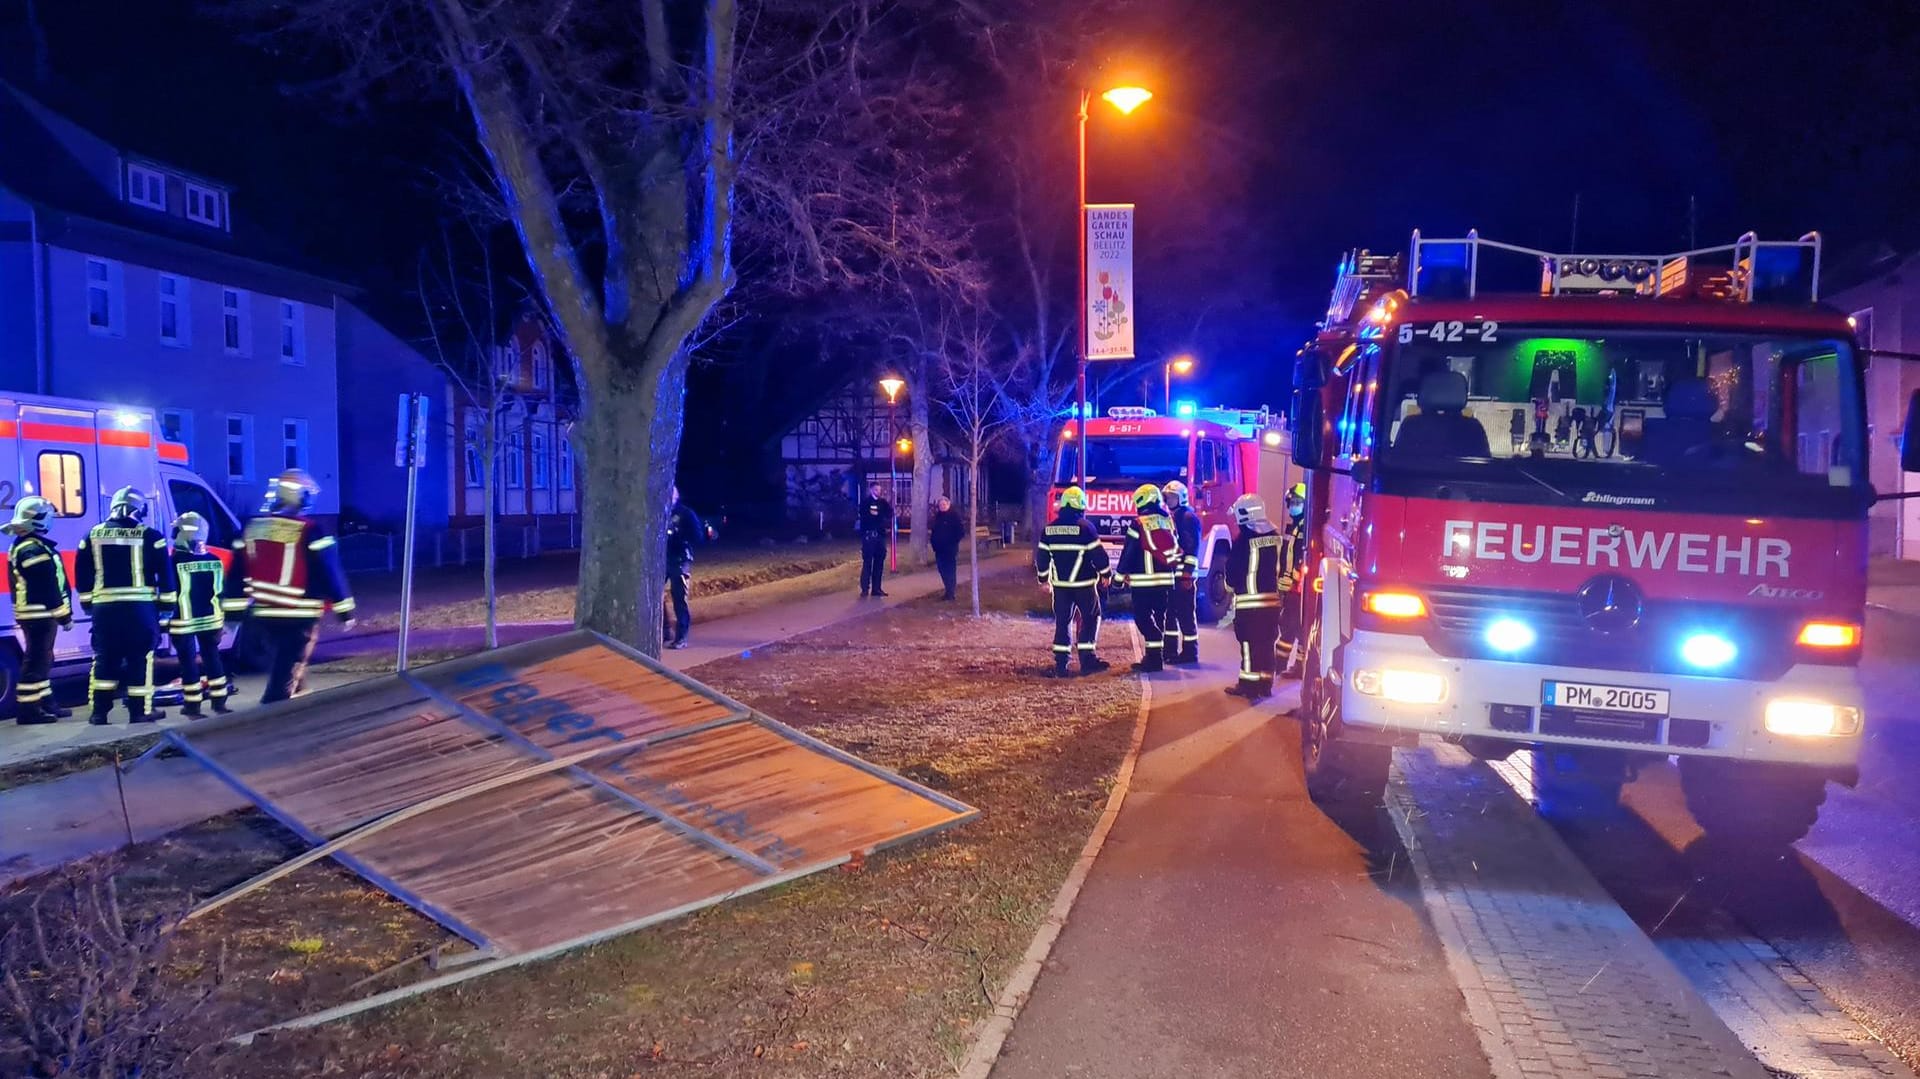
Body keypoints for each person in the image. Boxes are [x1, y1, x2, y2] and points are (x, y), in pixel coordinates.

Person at [224, 469, 356, 704]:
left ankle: (299, 700)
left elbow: (236, 574)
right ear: (302, 496)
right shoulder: (310, 530)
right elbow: (329, 572)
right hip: (299, 615)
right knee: (283, 677)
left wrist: (232, 614)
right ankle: (271, 718)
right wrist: (344, 611)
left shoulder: (251, 527)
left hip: (263, 615)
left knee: (285, 662)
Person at [75, 486, 174, 724]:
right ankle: (139, 712)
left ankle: (99, 713)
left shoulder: (92, 535)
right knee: (139, 660)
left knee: (104, 659)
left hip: (105, 611)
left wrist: (88, 604)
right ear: (139, 509)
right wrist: (166, 609)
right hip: (140, 610)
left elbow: (82, 574)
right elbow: (166, 576)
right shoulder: (152, 537)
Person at [6, 496, 72, 724]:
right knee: (35, 663)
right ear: (38, 520)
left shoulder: (29, 546)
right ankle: (28, 712)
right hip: (39, 614)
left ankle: (46, 704)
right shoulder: (32, 549)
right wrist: (63, 615)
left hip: (36, 614)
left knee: (43, 660)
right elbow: (46, 586)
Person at [1033, 486, 1111, 677]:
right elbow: (1099, 556)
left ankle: (1061, 664)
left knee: (1063, 622)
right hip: (1084, 585)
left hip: (1061, 587)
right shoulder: (1085, 528)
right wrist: (1106, 574)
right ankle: (1087, 659)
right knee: (1091, 618)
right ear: (1080, 505)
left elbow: (1042, 558)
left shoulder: (1049, 529)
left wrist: (1044, 579)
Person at [160, 512, 231, 717]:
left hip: (183, 622)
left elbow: (168, 593)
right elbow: (221, 592)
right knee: (213, 659)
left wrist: (163, 621)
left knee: (188, 663)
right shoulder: (215, 560)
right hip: (211, 620)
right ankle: (219, 702)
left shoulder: (173, 562)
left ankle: (193, 707)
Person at [1114, 484, 1181, 673]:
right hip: (1166, 580)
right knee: (1159, 618)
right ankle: (1154, 659)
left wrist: (1118, 578)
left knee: (1143, 619)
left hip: (1144, 581)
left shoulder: (1138, 523)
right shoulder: (1167, 520)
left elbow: (1129, 552)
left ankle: (1153, 660)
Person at [1224, 494, 1284, 699]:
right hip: (1272, 603)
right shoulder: (1276, 535)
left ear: (1244, 514)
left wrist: (1229, 585)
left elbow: (1233, 571)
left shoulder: (1244, 540)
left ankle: (1248, 686)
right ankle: (1265, 685)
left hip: (1250, 604)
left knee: (1249, 644)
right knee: (1267, 643)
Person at [663, 486, 713, 649]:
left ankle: (681, 636)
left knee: (679, 598)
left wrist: (679, 537)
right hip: (662, 561)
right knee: (655, 596)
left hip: (680, 560)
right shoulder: (659, 513)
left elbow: (697, 537)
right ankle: (664, 631)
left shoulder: (685, 513)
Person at [1161, 479, 1202, 664]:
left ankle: (1190, 652)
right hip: (1173, 575)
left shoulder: (1187, 518)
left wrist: (1187, 572)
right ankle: (1170, 651)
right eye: (1167, 497)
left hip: (1183, 576)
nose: (1168, 501)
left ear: (1181, 498)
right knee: (1171, 613)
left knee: (1185, 614)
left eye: (1172, 497)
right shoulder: (1174, 516)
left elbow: (1192, 548)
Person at [1277, 482, 1309, 673]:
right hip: (1292, 588)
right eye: (1291, 502)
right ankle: (1296, 666)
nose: (1293, 506)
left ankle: (1280, 665)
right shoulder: (1296, 526)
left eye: (1297, 502)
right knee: (1294, 627)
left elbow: (1301, 559)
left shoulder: (1304, 528)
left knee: (1290, 627)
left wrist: (1295, 580)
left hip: (1297, 589)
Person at [857, 482, 893, 597]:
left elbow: (889, 514)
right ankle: (864, 589)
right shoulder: (866, 502)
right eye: (876, 489)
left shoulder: (882, 502)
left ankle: (876, 589)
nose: (879, 492)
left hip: (880, 536)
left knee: (879, 562)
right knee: (868, 562)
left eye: (879, 489)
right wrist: (878, 514)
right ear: (871, 490)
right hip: (869, 536)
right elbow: (867, 516)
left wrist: (886, 507)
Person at [929, 496, 965, 601]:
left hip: (950, 549)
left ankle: (951, 592)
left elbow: (960, 532)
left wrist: (952, 542)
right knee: (942, 569)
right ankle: (947, 590)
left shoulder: (954, 516)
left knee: (950, 570)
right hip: (939, 549)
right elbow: (934, 531)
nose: (942, 506)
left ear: (948, 505)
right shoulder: (938, 516)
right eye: (940, 505)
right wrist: (933, 543)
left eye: (944, 504)